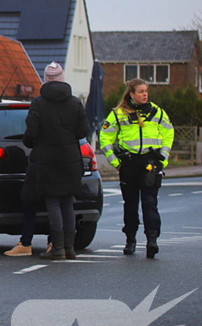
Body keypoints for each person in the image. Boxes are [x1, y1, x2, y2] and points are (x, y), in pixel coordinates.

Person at [98, 78, 174, 258]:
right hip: (129, 163)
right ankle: (130, 240)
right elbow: (105, 138)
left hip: (151, 163)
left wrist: (162, 159)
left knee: (150, 203)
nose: (145, 94)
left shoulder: (157, 112)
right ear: (132, 94)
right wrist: (115, 162)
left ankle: (152, 240)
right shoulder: (119, 114)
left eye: (146, 91)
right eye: (140, 91)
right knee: (131, 204)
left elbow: (168, 134)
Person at [23, 63, 89, 261]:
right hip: (70, 158)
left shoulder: (39, 103)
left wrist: (33, 141)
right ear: (62, 78)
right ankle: (70, 247)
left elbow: (31, 132)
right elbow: (84, 130)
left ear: (46, 79)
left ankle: (57, 248)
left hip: (46, 158)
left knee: (52, 202)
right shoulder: (75, 103)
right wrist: (68, 138)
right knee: (67, 201)